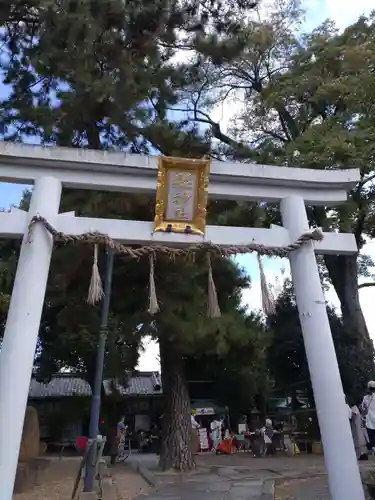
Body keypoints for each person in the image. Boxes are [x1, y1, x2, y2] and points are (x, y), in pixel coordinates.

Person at [361, 381, 375, 451]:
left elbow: (363, 408)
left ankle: (372, 447)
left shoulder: (365, 398)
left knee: (371, 434)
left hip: (369, 419)